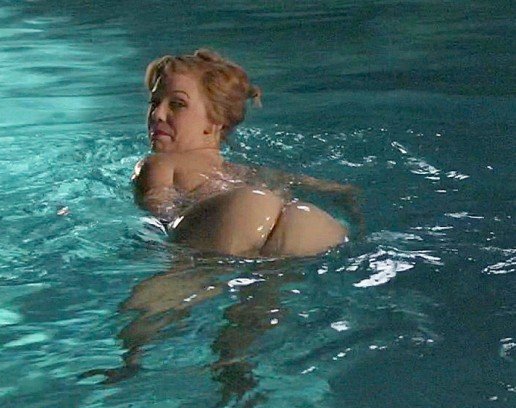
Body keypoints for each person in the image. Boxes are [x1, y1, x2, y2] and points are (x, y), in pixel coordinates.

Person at [133, 48, 360, 257]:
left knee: (252, 208)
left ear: (215, 120)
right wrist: (344, 195)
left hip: (235, 219)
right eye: (154, 103)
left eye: (177, 104)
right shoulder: (242, 171)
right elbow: (307, 184)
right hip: (308, 227)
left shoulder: (159, 163)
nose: (157, 114)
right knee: (294, 226)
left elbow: (160, 213)